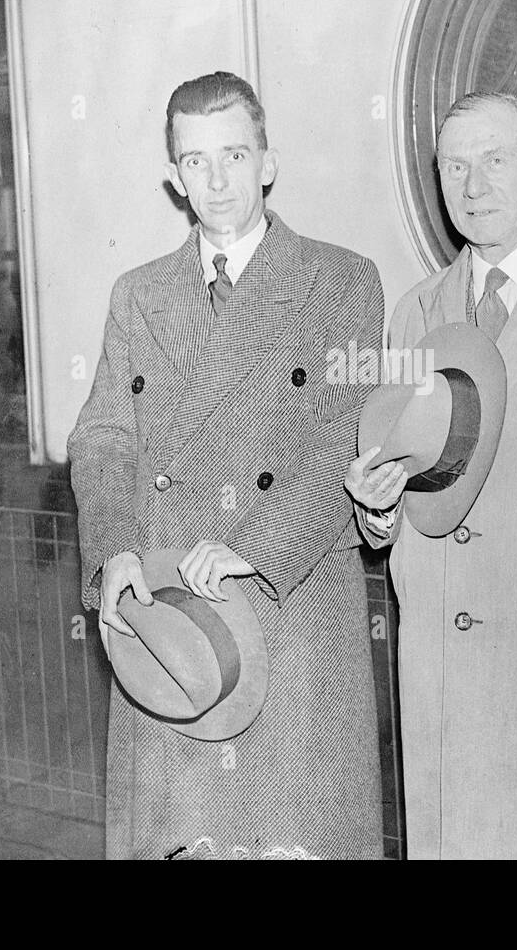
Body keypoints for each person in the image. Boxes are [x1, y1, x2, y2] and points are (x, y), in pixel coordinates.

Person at [69, 71, 385, 859]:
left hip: (291, 614)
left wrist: (255, 544)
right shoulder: (139, 294)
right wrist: (112, 553)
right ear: (174, 176)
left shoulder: (339, 280)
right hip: (174, 624)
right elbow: (102, 437)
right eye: (196, 160)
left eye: (235, 155)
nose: (217, 181)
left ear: (269, 162)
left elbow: (350, 431)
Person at [347, 91, 517, 858]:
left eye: (495, 160)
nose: (473, 187)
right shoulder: (415, 312)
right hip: (443, 671)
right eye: (455, 167)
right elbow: (405, 485)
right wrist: (377, 513)